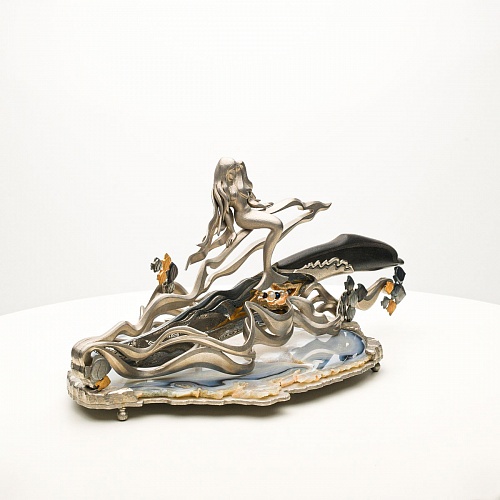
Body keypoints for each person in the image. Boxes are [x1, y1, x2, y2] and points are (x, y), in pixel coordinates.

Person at [186, 157, 287, 290]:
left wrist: (260, 205)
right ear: (223, 172)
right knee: (277, 226)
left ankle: (268, 271)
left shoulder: (238, 178)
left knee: (278, 225)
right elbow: (226, 212)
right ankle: (267, 270)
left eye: (234, 168)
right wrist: (232, 231)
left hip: (251, 211)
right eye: (231, 170)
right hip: (244, 217)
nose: (234, 171)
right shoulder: (223, 188)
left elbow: (249, 197)